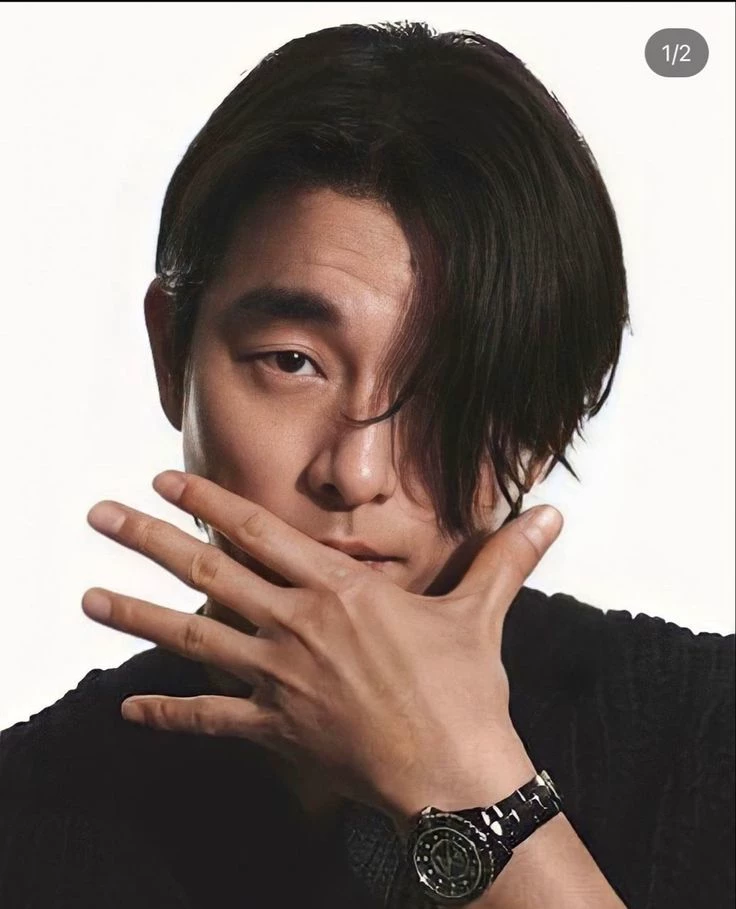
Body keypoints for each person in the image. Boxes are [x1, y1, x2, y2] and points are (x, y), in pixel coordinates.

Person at [0, 19, 733, 909]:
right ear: (170, 355)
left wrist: (461, 780)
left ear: (549, 417)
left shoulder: (704, 731)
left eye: (449, 382)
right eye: (292, 362)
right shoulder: (29, 820)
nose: (356, 472)